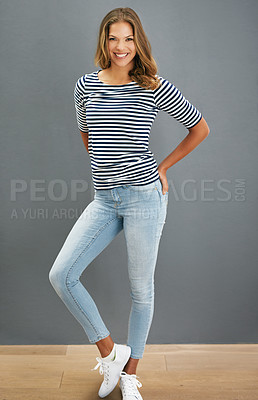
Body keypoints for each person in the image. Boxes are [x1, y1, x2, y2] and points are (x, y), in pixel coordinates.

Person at [49, 7, 210, 400]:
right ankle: (110, 353)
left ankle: (130, 374)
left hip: (144, 199)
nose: (120, 46)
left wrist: (163, 168)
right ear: (104, 42)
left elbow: (200, 128)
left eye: (128, 38)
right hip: (104, 201)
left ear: (138, 41)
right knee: (62, 275)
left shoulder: (153, 85)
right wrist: (107, 169)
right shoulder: (85, 85)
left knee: (141, 291)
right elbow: (88, 135)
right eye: (113, 38)